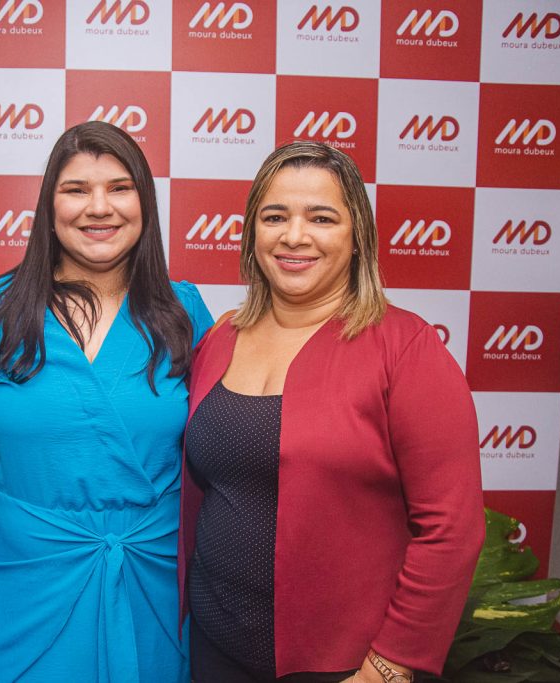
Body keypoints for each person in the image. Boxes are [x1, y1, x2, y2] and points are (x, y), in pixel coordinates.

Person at [179, 141, 484, 683]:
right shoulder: (222, 337)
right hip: (215, 646)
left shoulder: (404, 347)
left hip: (345, 666)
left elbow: (451, 528)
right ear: (253, 232)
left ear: (356, 235)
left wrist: (389, 666)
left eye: (322, 217)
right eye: (275, 216)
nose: (295, 236)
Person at [0, 121, 214, 681]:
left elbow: (225, 451)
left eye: (120, 188)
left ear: (145, 202)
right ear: (49, 206)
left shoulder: (184, 312)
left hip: (155, 579)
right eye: (76, 190)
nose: (100, 207)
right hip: (16, 582)